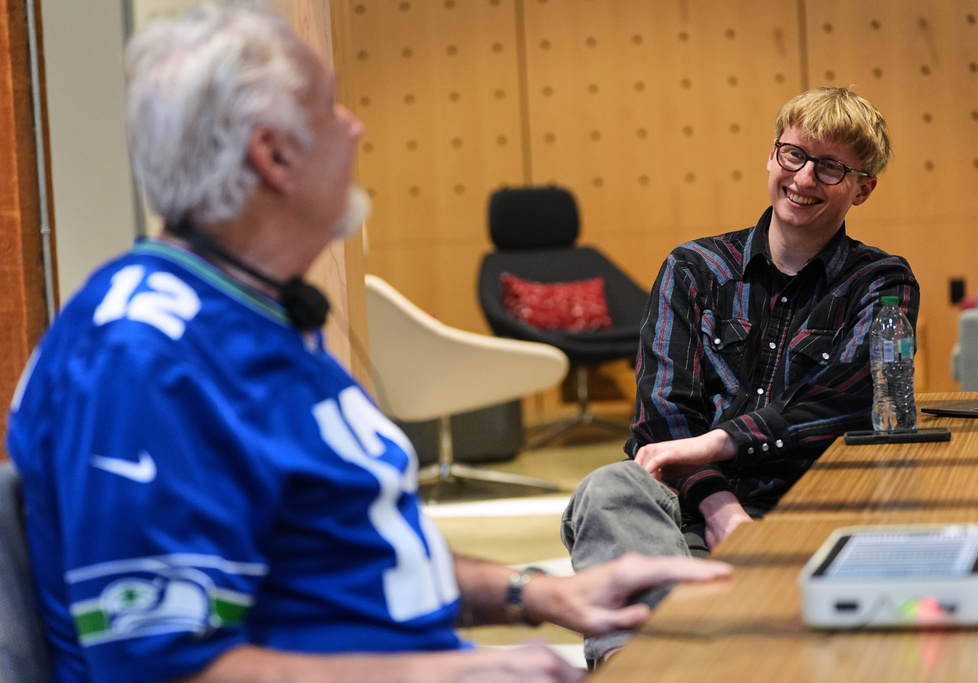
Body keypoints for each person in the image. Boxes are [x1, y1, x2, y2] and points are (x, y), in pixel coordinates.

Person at [4, 4, 732, 682]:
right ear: (274, 155)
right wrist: (440, 673)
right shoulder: (141, 361)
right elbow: (165, 666)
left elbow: (362, 556)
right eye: (329, 108)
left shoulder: (258, 318)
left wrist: (541, 592)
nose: (354, 128)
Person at [560, 86, 920, 664]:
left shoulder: (881, 282)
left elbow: (855, 396)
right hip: (689, 519)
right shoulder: (693, 269)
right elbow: (660, 421)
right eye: (793, 155)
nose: (803, 179)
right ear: (772, 156)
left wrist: (724, 439)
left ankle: (692, 647)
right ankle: (650, 664)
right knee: (609, 487)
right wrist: (719, 504)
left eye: (831, 168)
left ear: (863, 187)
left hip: (808, 515)